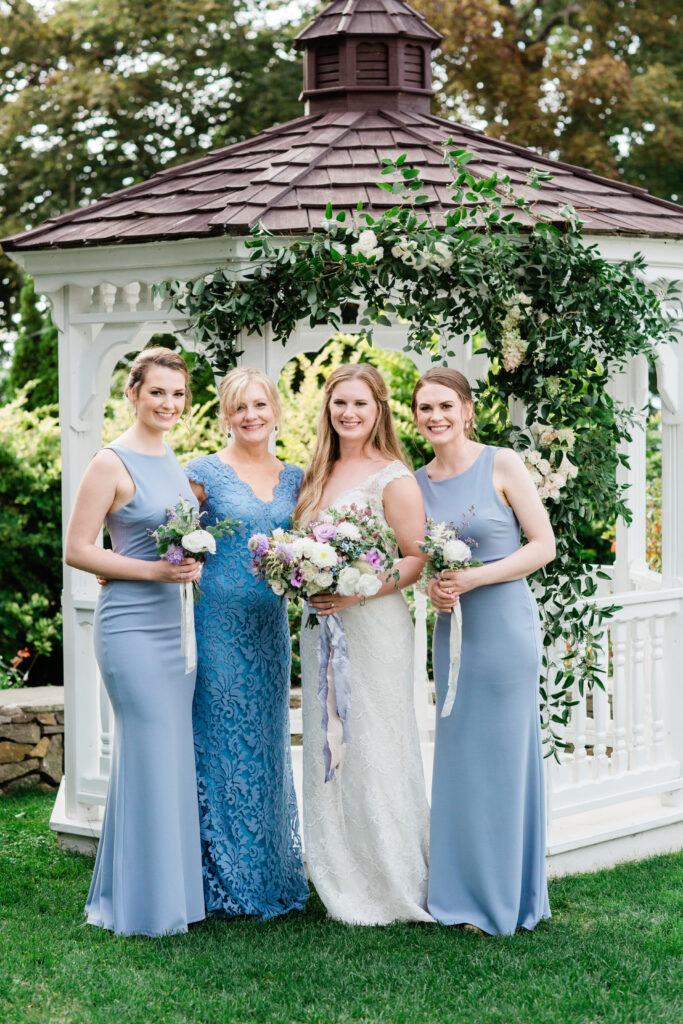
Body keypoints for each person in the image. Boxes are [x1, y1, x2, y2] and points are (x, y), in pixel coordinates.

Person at [64, 347, 205, 936]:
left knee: (166, 756)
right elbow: (78, 549)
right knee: (149, 752)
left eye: (178, 395)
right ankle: (145, 908)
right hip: (130, 629)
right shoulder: (109, 461)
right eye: (158, 393)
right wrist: (152, 571)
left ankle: (167, 893)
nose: (168, 404)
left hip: (176, 629)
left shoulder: (172, 458)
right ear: (134, 394)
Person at [412, 367, 555, 935]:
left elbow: (543, 545)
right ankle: (458, 893)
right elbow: (421, 559)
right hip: (453, 633)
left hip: (504, 631)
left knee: (502, 759)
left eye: (446, 406)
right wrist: (435, 585)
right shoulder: (416, 482)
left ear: (467, 408)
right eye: (425, 408)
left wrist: (473, 578)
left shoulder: (502, 463)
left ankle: (505, 900)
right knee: (460, 759)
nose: (436, 417)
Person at [297, 363, 431, 925]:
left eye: (361, 404)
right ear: (327, 409)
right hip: (320, 626)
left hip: (373, 625)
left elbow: (417, 560)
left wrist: (356, 592)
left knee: (375, 740)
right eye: (339, 404)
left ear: (379, 409)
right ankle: (337, 872)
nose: (349, 413)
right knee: (327, 743)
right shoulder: (316, 472)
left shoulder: (393, 476)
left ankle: (390, 877)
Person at [185, 367, 308, 919]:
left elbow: (312, 545)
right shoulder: (203, 473)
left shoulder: (297, 478)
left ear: (276, 411)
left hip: (269, 629)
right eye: (240, 408)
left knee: (265, 744)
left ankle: (269, 869)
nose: (251, 416)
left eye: (260, 405)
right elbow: (167, 536)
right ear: (225, 415)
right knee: (218, 742)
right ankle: (217, 875)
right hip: (216, 625)